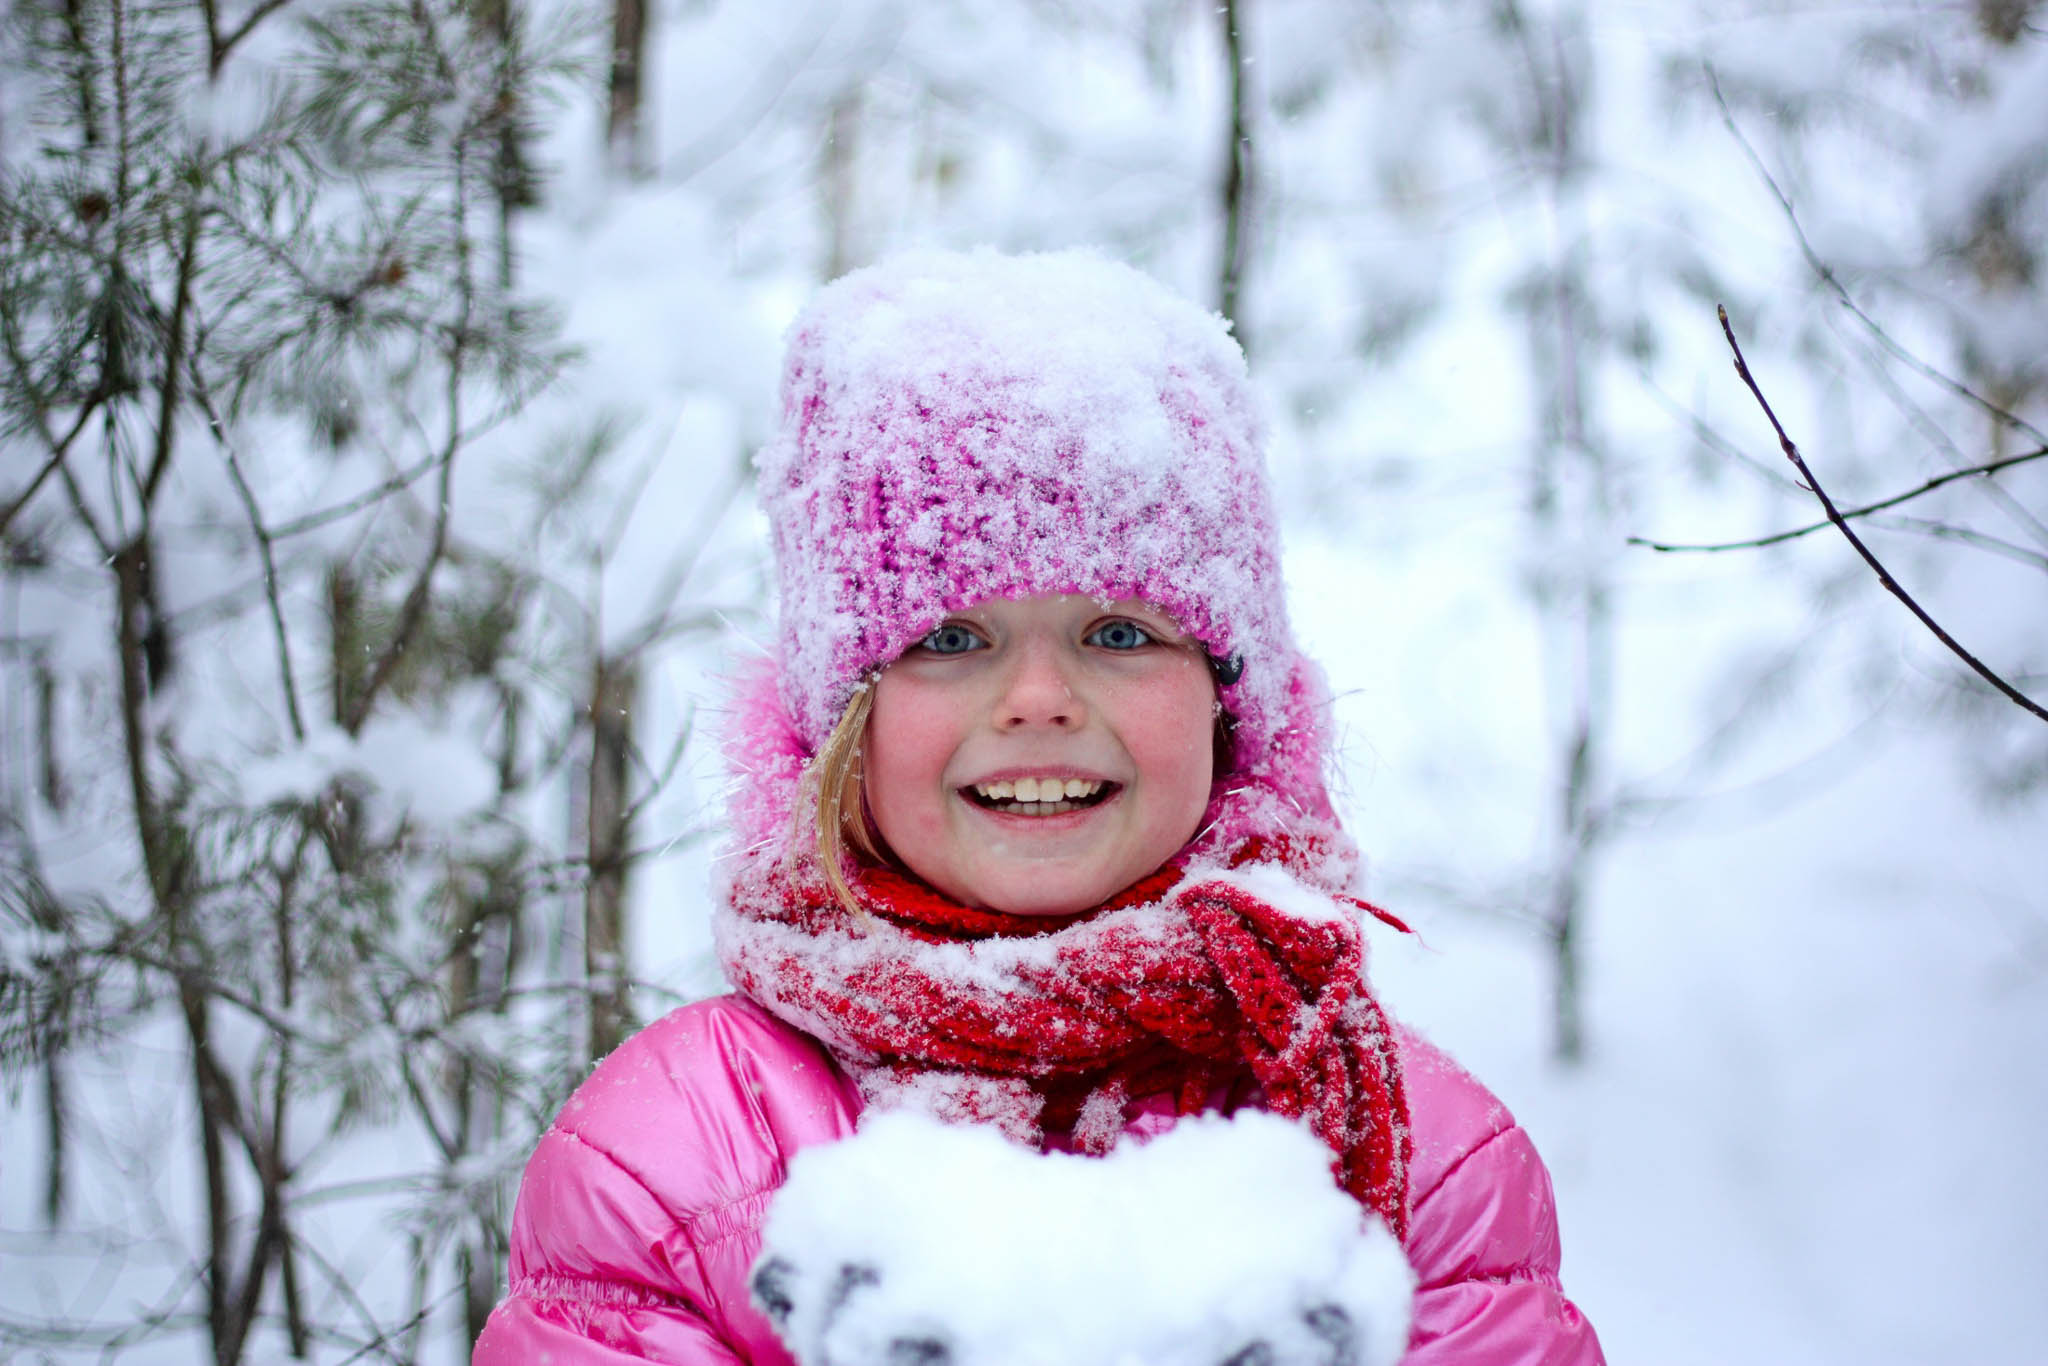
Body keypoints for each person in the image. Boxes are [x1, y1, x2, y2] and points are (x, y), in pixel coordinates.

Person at [473, 249, 1604, 1366]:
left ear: (1227, 706)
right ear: (839, 728)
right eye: (950, 638)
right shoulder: (674, 1151)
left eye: (1117, 632)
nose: (1037, 700)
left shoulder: (1410, 1147)